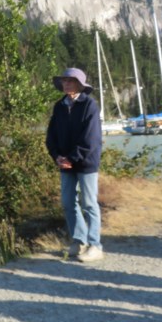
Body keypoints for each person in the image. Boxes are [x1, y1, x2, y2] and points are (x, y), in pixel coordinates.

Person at [46, 68, 103, 263]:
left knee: (89, 203)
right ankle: (79, 241)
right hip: (65, 163)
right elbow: (51, 136)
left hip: (86, 162)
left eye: (70, 81)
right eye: (64, 81)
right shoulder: (59, 106)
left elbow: (91, 138)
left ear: (80, 84)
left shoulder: (89, 105)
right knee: (68, 202)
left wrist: (72, 157)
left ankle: (95, 245)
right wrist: (57, 156)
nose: (66, 84)